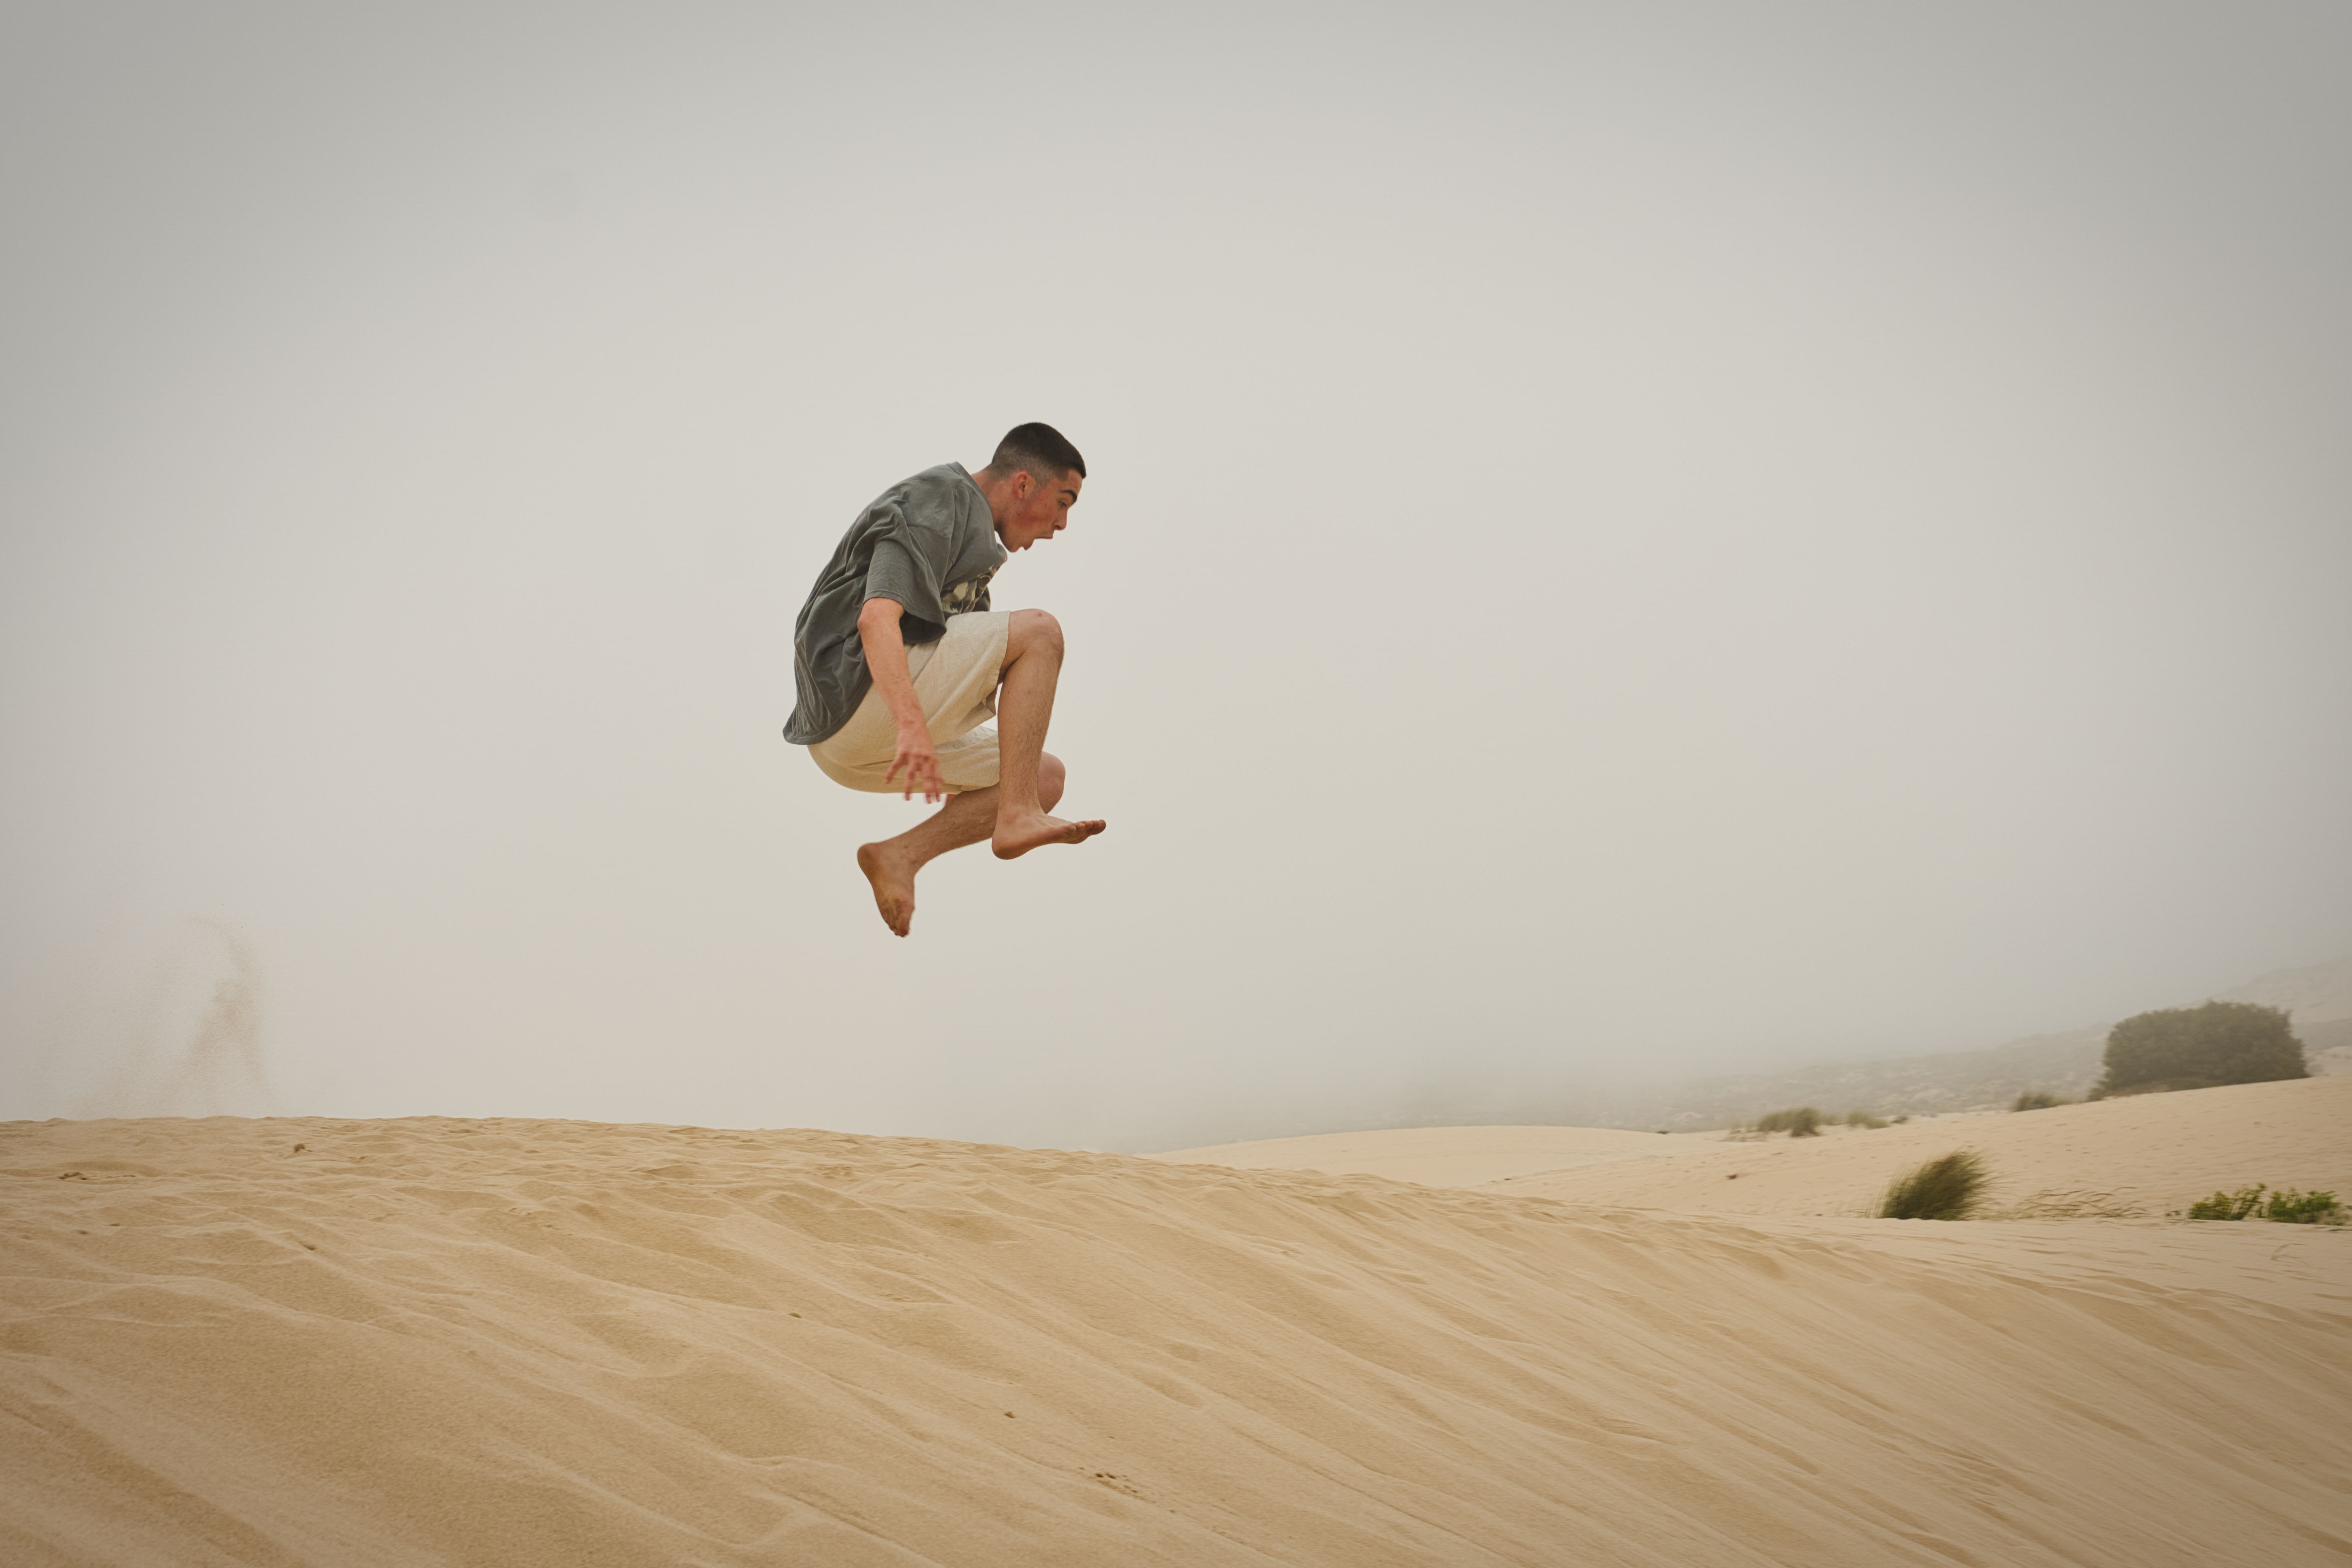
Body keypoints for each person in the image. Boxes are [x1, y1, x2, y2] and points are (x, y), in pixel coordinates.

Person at [782, 423, 1106, 936]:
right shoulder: (939, 501)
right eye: (1063, 501)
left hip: (851, 751)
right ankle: (1016, 813)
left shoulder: (974, 550)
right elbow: (876, 618)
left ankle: (902, 856)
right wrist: (910, 722)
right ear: (1023, 484)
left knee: (1043, 777)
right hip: (853, 691)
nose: (1062, 523)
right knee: (1041, 633)